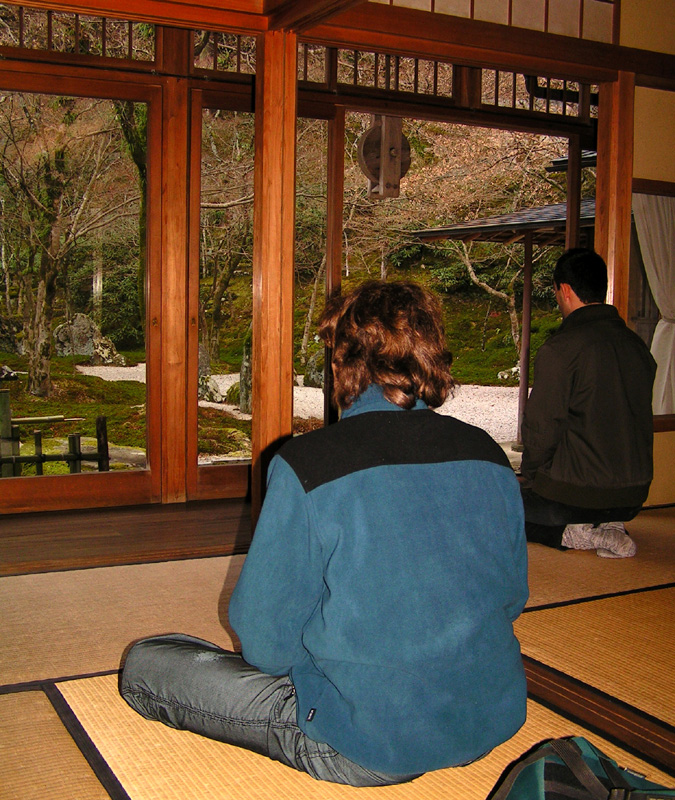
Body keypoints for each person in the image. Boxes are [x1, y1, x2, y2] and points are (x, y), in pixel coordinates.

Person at [120, 280, 529, 786]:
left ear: (342, 363)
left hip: (363, 742)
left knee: (147, 663)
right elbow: (511, 597)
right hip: (490, 719)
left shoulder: (308, 463)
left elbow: (265, 643)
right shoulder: (488, 453)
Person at [519, 248, 657, 557]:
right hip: (633, 495)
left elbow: (541, 429)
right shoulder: (637, 346)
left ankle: (574, 534)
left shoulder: (562, 349)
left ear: (564, 290)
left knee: (495, 502)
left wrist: (530, 476)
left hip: (574, 497)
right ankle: (610, 525)